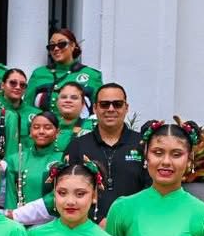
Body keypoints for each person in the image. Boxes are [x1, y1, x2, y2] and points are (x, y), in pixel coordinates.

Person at [63, 83, 147, 218]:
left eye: (117, 104)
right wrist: (97, 221)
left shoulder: (142, 144)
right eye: (104, 104)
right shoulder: (77, 146)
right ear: (95, 108)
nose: (111, 109)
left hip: (136, 223)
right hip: (89, 225)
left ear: (126, 108)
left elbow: (151, 187)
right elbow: (67, 189)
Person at [4, 111, 66, 223]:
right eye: (36, 127)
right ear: (30, 132)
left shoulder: (62, 159)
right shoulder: (15, 159)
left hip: (51, 222)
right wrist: (12, 220)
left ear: (57, 132)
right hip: (17, 222)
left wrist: (24, 215)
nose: (41, 131)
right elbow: (9, 196)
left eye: (47, 128)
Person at [28, 28, 103, 110]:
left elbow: (99, 109)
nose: (56, 49)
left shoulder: (92, 75)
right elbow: (27, 107)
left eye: (61, 44)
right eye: (52, 46)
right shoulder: (39, 73)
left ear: (72, 46)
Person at [51, 81, 95, 155]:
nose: (68, 100)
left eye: (74, 98)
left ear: (83, 104)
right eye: (63, 97)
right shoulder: (46, 126)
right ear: (57, 103)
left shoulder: (92, 125)